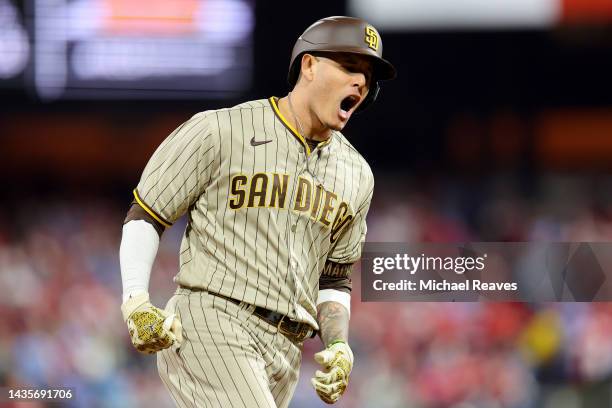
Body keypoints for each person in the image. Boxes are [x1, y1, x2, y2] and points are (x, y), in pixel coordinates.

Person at [119, 15, 396, 407]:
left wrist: (338, 344)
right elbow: (147, 215)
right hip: (213, 319)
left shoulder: (357, 175)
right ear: (309, 65)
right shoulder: (221, 131)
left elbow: (334, 280)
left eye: (368, 75)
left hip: (287, 348)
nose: (361, 82)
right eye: (350, 66)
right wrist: (136, 301)